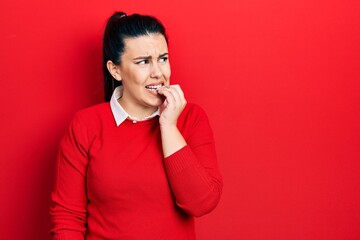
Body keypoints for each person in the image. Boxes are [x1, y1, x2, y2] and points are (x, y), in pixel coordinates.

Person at [50, 11, 223, 240]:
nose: (158, 73)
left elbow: (202, 203)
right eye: (143, 62)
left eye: (163, 58)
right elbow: (67, 218)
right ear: (115, 70)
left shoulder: (191, 118)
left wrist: (169, 126)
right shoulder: (86, 126)